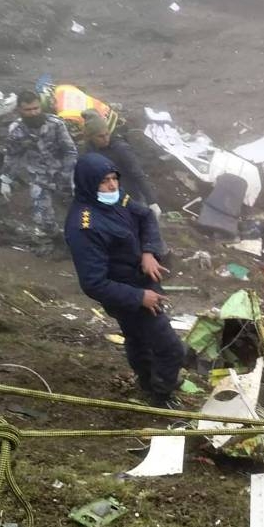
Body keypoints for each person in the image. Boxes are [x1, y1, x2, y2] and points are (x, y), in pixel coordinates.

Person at [64, 153, 185, 409]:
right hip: (125, 295)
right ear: (88, 183)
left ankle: (148, 384)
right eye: (104, 181)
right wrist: (140, 297)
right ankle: (162, 396)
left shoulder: (117, 199)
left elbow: (146, 217)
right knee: (172, 349)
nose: (112, 186)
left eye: (114, 179)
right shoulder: (84, 226)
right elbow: (93, 283)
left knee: (138, 340)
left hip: (142, 278)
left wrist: (149, 251)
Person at [0, 90, 78, 238]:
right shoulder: (16, 131)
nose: (34, 113)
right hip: (39, 175)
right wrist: (6, 180)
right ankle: (56, 239)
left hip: (63, 171)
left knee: (81, 207)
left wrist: (70, 176)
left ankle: (87, 238)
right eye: (28, 110)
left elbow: (70, 151)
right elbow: (12, 155)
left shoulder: (55, 124)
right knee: (43, 216)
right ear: (19, 110)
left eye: (36, 108)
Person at [82, 112, 162, 221]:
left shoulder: (121, 149)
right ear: (90, 137)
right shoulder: (88, 150)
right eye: (100, 136)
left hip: (130, 197)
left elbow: (138, 174)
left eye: (107, 134)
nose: (106, 138)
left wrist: (152, 201)